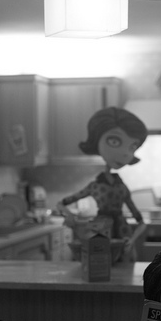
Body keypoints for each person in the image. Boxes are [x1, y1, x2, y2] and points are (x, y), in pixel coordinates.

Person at [57, 107, 148, 259]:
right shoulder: (95, 186)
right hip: (99, 234)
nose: (125, 153)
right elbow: (61, 204)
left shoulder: (121, 188)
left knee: (123, 269)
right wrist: (69, 216)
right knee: (98, 264)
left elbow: (141, 222)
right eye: (114, 141)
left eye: (132, 146)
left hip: (123, 238)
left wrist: (132, 240)